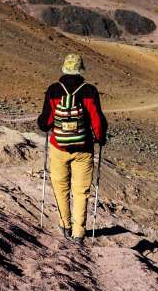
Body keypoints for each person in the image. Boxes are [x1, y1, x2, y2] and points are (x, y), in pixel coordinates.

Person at [35, 53, 107, 244]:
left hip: (59, 148)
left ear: (64, 68)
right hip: (84, 149)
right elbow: (97, 121)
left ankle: (64, 224)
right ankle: (78, 233)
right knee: (81, 191)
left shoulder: (53, 90)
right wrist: (101, 138)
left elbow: (46, 121)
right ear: (80, 69)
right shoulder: (90, 91)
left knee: (60, 187)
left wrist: (44, 124)